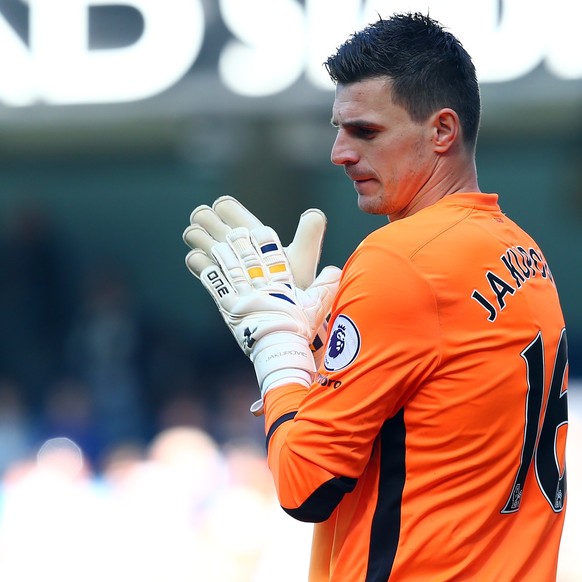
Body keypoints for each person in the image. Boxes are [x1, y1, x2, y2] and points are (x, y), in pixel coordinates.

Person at [183, 12, 569, 581]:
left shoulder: (401, 260)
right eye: (338, 129)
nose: (339, 152)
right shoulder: (523, 250)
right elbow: (432, 418)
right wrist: (318, 352)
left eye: (365, 131)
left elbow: (304, 484)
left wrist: (277, 348)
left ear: (442, 131)